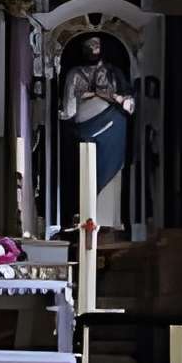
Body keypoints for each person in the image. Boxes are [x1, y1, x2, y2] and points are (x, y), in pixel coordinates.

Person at [56, 32, 134, 229]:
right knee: (87, 171)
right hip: (84, 130)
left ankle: (110, 220)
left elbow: (129, 102)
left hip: (113, 127)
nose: (93, 49)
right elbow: (69, 108)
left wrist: (116, 98)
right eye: (89, 46)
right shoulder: (74, 74)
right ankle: (86, 216)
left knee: (113, 173)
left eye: (96, 45)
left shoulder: (114, 72)